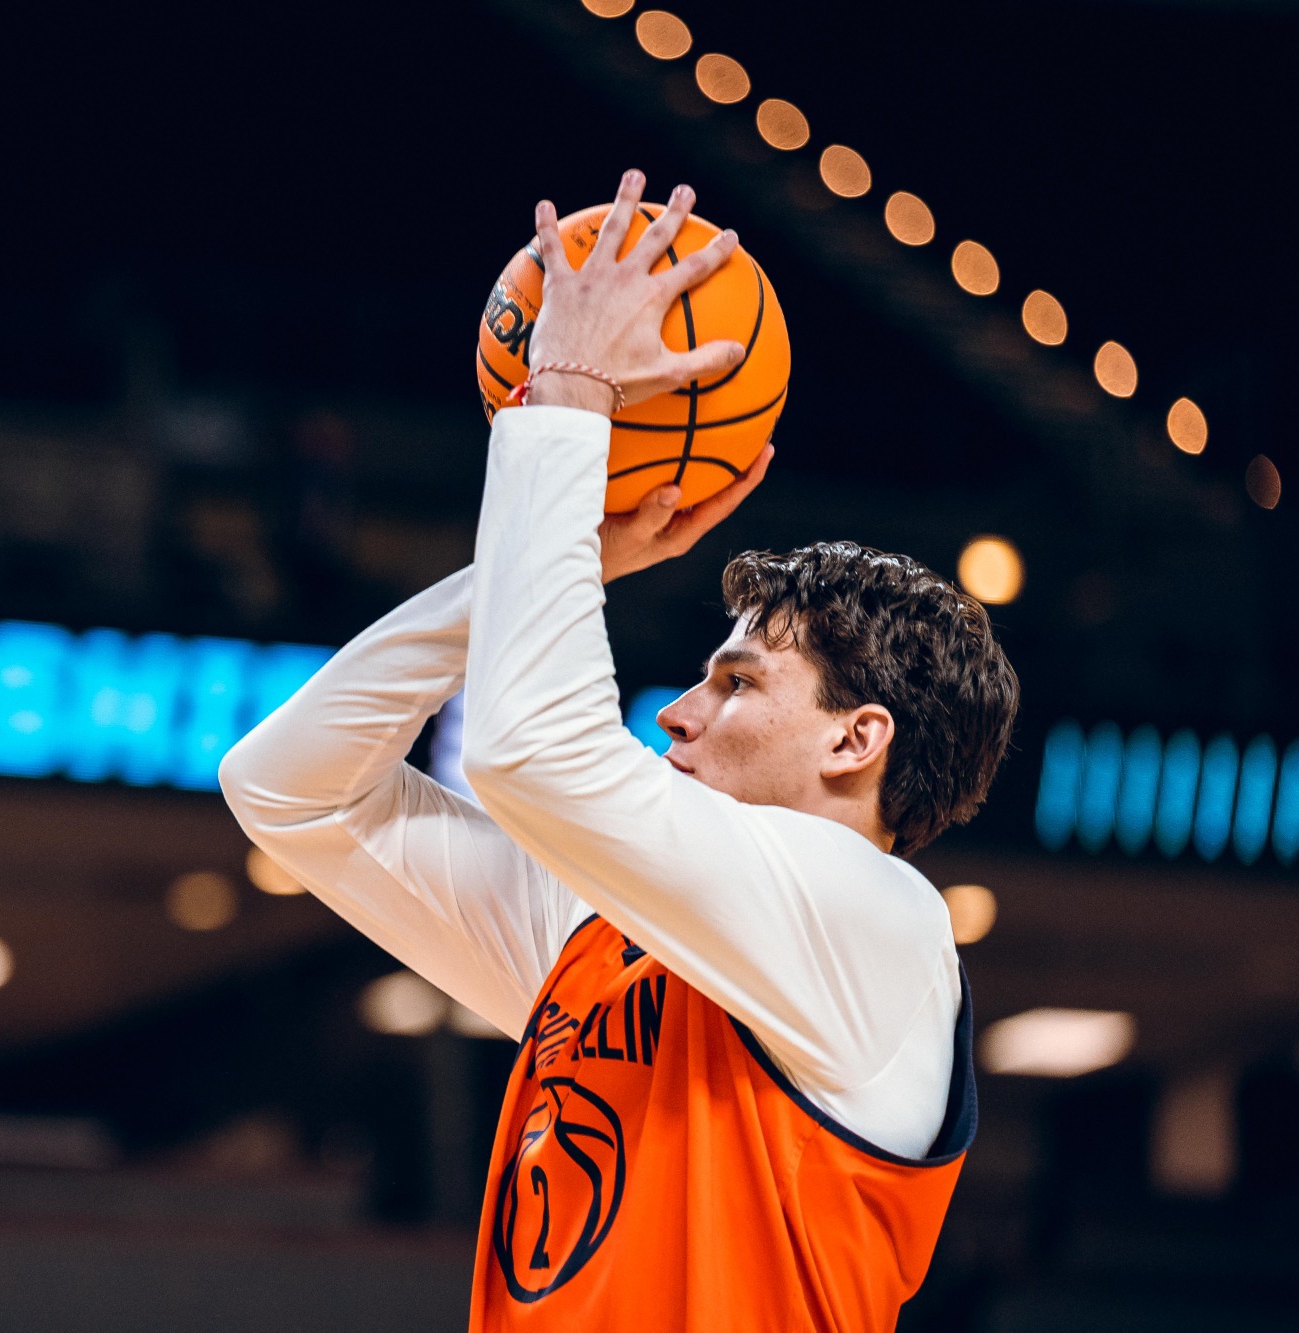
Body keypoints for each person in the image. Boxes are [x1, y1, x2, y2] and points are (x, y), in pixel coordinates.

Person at [218, 170, 1019, 1331]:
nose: (674, 714)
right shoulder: (601, 936)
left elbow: (526, 749)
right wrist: (550, 564)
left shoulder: (879, 926)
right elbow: (286, 788)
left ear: (858, 739)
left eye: (733, 683)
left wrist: (568, 402)